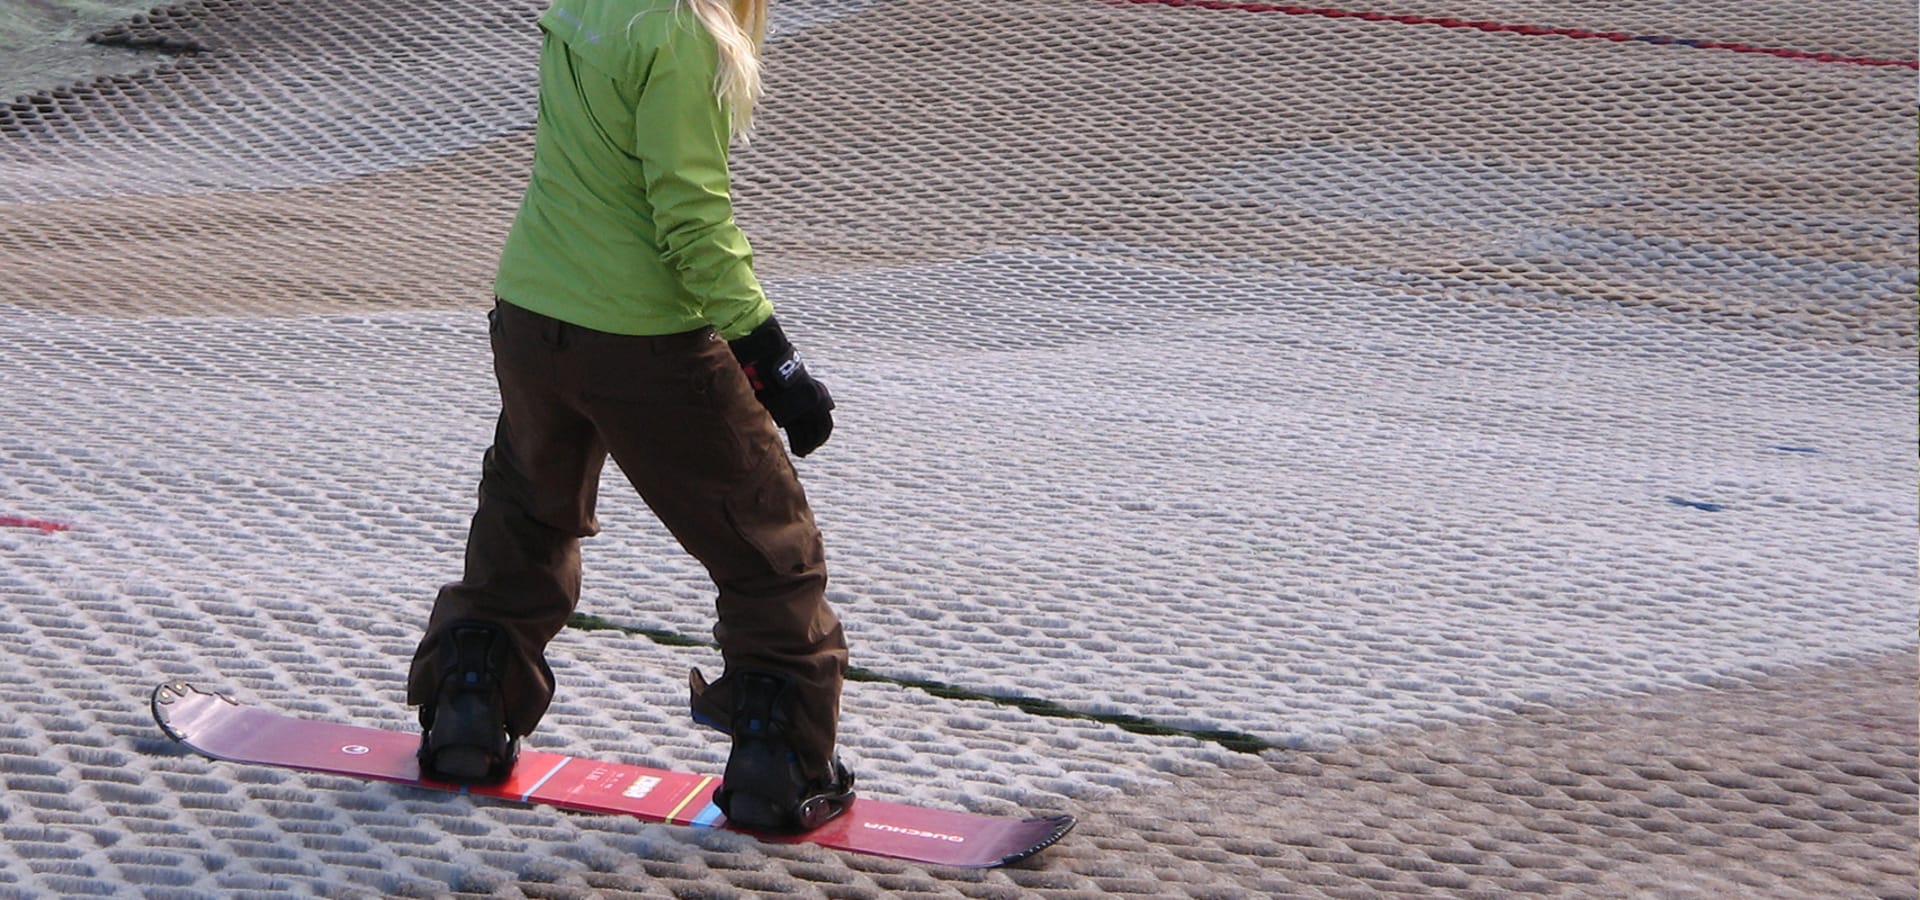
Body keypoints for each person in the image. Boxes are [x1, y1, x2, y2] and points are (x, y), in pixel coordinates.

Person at [405, 0, 853, 833]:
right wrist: (772, 358)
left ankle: (469, 709)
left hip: (534, 315)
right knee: (768, 549)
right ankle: (777, 760)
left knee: (526, 514)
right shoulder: (685, 33)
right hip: (646, 339)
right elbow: (689, 216)